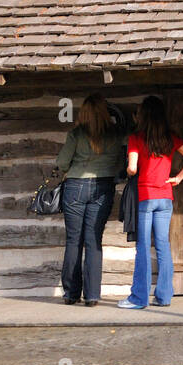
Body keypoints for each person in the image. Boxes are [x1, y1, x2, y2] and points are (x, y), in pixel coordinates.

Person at [119, 96, 183, 309]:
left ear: (143, 115)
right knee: (163, 246)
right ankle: (163, 296)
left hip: (146, 197)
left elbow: (133, 169)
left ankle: (138, 298)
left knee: (143, 247)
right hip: (165, 197)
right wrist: (178, 178)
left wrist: (127, 167)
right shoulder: (170, 138)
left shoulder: (136, 138)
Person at [56, 93, 127, 306]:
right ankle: (92, 296)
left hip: (75, 186)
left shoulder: (76, 134)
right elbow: (120, 162)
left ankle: (71, 294)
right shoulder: (116, 134)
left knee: (73, 241)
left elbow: (62, 163)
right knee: (93, 240)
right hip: (103, 187)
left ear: (84, 113)